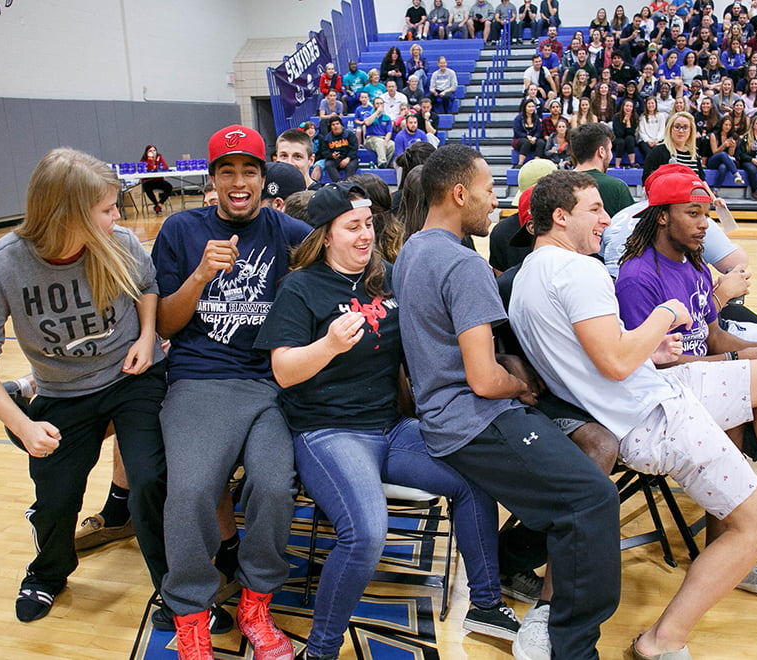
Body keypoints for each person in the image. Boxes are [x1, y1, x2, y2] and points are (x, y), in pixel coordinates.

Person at [509, 169, 757, 659]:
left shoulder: (527, 277)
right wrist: (665, 315)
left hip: (648, 390)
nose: (608, 217)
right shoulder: (581, 271)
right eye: (595, 209)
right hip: (652, 416)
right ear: (560, 218)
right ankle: (661, 640)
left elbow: (602, 355)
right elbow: (617, 360)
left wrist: (652, 347)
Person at [254, 182, 520, 660]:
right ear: (326, 235)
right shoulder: (301, 287)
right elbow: (284, 371)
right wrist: (330, 345)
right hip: (329, 433)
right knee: (366, 534)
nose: (364, 236)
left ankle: (485, 603)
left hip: (391, 429)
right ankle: (321, 650)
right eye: (351, 227)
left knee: (476, 477)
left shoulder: (390, 277)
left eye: (369, 225)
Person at [394, 144, 622, 660]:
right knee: (591, 501)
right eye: (488, 192)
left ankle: (526, 583)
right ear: (457, 193)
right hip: (474, 420)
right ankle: (573, 646)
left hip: (442, 416)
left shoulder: (410, 251)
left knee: (579, 484)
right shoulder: (463, 264)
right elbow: (482, 378)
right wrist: (519, 386)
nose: (495, 203)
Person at [0, 147, 166, 623]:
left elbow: (148, 284)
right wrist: (23, 428)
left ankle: (175, 589)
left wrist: (148, 336)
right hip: (64, 391)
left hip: (132, 377)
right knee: (57, 497)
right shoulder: (2, 265)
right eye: (108, 209)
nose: (118, 217)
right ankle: (47, 573)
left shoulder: (119, 243)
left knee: (151, 479)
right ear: (69, 213)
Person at [150, 125, 311, 659]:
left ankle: (256, 603)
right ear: (213, 180)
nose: (238, 182)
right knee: (191, 492)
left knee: (272, 487)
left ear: (265, 180)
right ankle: (191, 615)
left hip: (268, 384)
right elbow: (167, 328)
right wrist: (199, 276)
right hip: (199, 378)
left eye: (249, 171)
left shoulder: (290, 233)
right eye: (227, 171)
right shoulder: (179, 230)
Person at [571, 122, 635, 217]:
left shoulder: (556, 184)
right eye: (610, 149)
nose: (611, 155)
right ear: (601, 151)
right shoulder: (617, 187)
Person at [643, 110, 705, 183]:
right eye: (677, 127)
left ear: (691, 131)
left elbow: (702, 182)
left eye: (685, 127)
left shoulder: (694, 156)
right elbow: (647, 180)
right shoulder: (658, 151)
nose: (681, 131)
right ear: (670, 129)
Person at [707, 114, 745, 194]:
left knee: (723, 167)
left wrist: (732, 147)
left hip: (725, 161)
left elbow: (730, 155)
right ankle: (737, 174)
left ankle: (715, 190)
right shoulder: (714, 135)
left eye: (730, 125)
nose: (727, 127)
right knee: (723, 154)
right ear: (722, 125)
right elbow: (714, 152)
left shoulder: (733, 136)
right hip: (713, 160)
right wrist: (723, 145)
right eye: (726, 125)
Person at [357, 95, 395, 168]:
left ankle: (384, 165)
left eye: (381, 103)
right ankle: (382, 162)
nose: (379, 105)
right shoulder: (368, 114)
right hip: (371, 138)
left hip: (383, 138)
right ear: (374, 105)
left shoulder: (387, 118)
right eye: (377, 104)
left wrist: (386, 142)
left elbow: (389, 132)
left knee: (392, 144)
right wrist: (376, 112)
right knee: (379, 142)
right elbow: (367, 123)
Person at [318, 116, 358, 183]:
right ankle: (338, 183)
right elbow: (324, 152)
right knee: (328, 164)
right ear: (330, 127)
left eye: (337, 124)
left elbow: (354, 148)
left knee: (351, 166)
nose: (335, 126)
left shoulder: (349, 134)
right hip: (335, 159)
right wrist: (331, 155)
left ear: (341, 125)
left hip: (349, 158)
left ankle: (348, 183)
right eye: (333, 125)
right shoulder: (327, 138)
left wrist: (348, 158)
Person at [138, 145, 174, 215]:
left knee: (169, 186)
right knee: (147, 188)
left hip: (158, 180)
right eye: (150, 151)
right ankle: (156, 204)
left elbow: (165, 167)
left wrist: (157, 167)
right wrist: (150, 159)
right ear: (146, 153)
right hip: (148, 181)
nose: (153, 152)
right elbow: (150, 169)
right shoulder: (144, 160)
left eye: (154, 150)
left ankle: (160, 204)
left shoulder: (159, 157)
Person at [513, 98, 545, 165]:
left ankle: (536, 162)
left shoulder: (536, 118)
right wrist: (526, 136)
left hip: (533, 139)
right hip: (520, 139)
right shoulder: (518, 118)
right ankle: (520, 163)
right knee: (526, 142)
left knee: (541, 142)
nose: (531, 108)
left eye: (533, 106)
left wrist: (535, 137)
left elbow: (539, 131)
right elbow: (517, 131)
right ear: (525, 107)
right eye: (529, 107)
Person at [636, 96, 667, 161]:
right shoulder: (642, 117)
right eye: (649, 103)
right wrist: (648, 141)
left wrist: (657, 140)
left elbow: (662, 130)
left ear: (656, 104)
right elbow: (642, 132)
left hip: (658, 140)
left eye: (652, 103)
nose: (650, 105)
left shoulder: (661, 116)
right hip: (646, 141)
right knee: (648, 152)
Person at [612, 99, 640, 167]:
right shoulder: (616, 117)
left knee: (630, 138)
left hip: (629, 138)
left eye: (630, 106)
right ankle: (617, 165)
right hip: (618, 138)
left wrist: (628, 122)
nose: (628, 108)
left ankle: (632, 163)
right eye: (627, 106)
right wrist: (624, 121)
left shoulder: (635, 117)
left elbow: (631, 133)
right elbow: (619, 133)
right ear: (623, 107)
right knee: (620, 142)